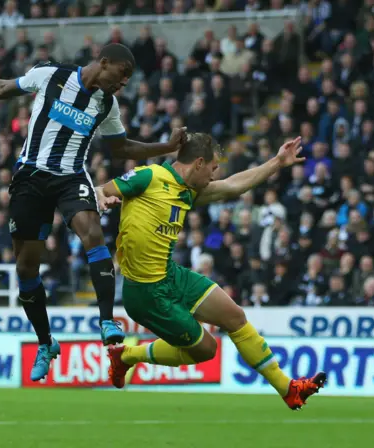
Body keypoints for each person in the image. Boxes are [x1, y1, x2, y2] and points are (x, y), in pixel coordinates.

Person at [0, 43, 187, 381]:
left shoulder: (106, 104)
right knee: (26, 266)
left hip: (71, 177)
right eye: (121, 75)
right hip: (30, 177)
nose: (123, 84)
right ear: (104, 63)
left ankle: (106, 320)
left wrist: (166, 148)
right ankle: (45, 342)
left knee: (93, 232)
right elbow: (2, 87)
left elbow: (121, 148)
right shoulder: (51, 75)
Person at [97, 133, 326, 410]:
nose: (214, 175)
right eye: (213, 168)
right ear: (198, 163)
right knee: (207, 349)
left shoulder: (188, 191)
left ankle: (288, 389)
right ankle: (127, 356)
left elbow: (233, 187)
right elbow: (101, 189)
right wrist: (101, 197)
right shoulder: (150, 177)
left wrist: (277, 162)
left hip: (171, 275)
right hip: (144, 292)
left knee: (235, 316)